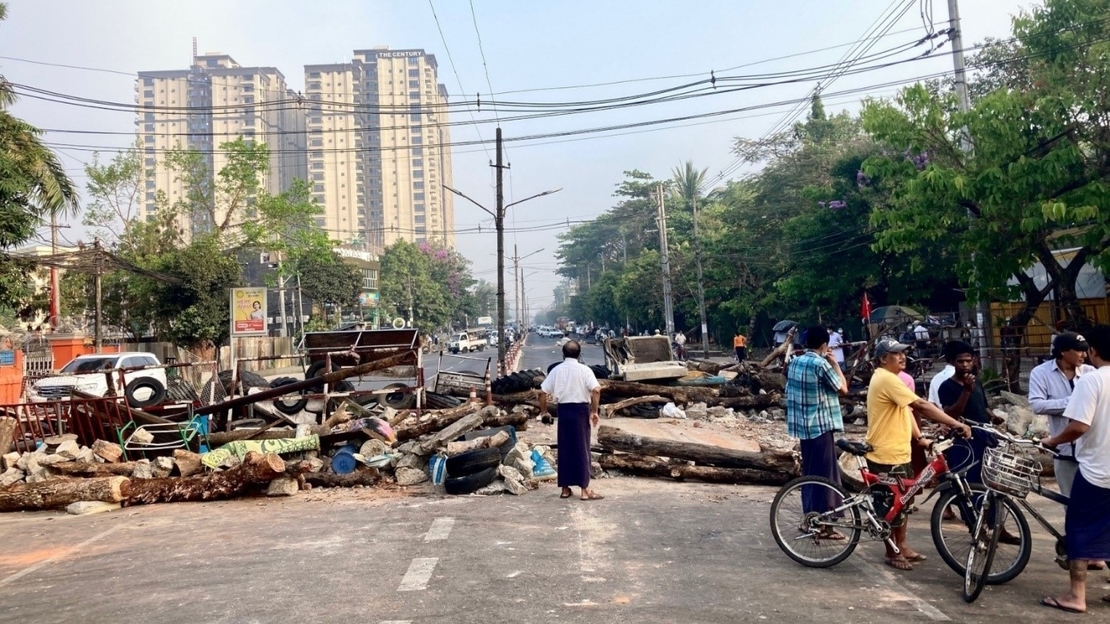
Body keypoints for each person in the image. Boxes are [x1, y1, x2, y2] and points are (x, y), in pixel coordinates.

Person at [866, 337, 971, 571]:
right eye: (896, 354)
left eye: (903, 353)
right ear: (883, 359)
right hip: (886, 452)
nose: (902, 357)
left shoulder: (892, 379)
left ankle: (901, 545)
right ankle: (891, 552)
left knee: (903, 501)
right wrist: (955, 423)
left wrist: (920, 438)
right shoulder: (885, 378)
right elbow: (921, 406)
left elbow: (907, 411)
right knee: (889, 504)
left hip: (900, 449)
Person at [1040, 325, 1110, 614]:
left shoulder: (1092, 381)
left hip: (1097, 471)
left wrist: (1051, 440)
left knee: (1078, 527)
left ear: (1093, 351)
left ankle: (1076, 596)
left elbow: (1079, 426)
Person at [1029, 332, 1103, 571]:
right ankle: (1084, 553)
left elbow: (1087, 418)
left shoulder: (1091, 374)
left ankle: (1095, 554)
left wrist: (1077, 404)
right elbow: (1038, 404)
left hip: (1092, 452)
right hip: (1064, 451)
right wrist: (1073, 402)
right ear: (1062, 352)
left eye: (1085, 350)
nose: (1083, 355)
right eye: (1078, 350)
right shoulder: (1041, 373)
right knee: (1071, 505)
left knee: (1097, 508)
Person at [785, 326, 848, 539]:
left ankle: (809, 519)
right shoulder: (821, 364)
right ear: (824, 345)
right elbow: (843, 389)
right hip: (820, 428)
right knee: (827, 477)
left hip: (803, 428)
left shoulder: (795, 362)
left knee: (810, 475)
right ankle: (824, 525)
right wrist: (834, 363)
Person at [538, 340, 604, 501]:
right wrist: (594, 411)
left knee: (565, 448)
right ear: (579, 354)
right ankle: (584, 489)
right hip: (581, 411)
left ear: (563, 354)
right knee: (582, 448)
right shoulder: (585, 370)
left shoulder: (556, 370)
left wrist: (544, 411)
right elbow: (596, 390)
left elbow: (542, 392)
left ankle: (565, 489)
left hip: (564, 411)